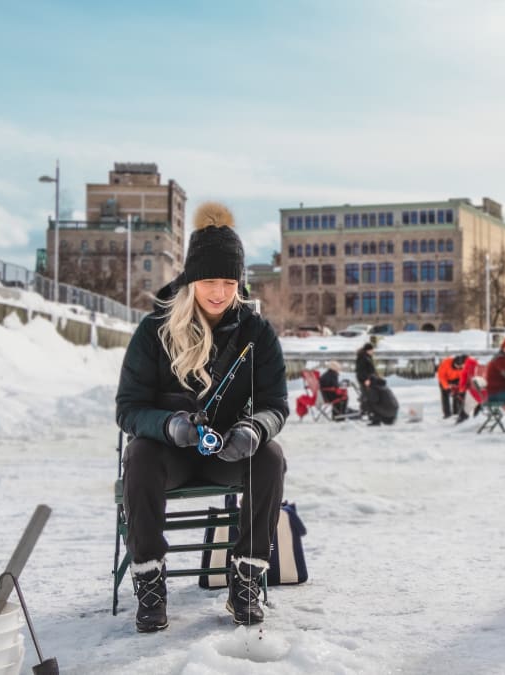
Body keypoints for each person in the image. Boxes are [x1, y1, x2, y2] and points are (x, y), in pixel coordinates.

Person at [115, 202, 287, 632]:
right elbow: (129, 408)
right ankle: (150, 583)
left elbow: (276, 403)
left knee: (271, 457)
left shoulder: (256, 332)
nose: (219, 292)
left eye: (229, 282)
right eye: (210, 281)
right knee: (139, 456)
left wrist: (254, 429)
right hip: (168, 454)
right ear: (191, 280)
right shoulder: (154, 329)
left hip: (225, 451)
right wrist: (169, 425)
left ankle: (246, 578)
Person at [455, 354, 484, 423]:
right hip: (482, 391)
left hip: (473, 391)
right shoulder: (476, 363)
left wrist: (461, 390)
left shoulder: (467, 366)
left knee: (461, 399)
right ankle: (476, 415)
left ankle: (462, 419)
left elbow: (463, 379)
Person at [436, 354, 466, 419]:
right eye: (457, 366)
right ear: (454, 362)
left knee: (457, 394)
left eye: (460, 367)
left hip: (457, 379)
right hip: (445, 379)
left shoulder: (464, 366)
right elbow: (441, 377)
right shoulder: (446, 363)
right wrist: (447, 387)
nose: (458, 368)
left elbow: (463, 377)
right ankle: (447, 413)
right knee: (444, 394)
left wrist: (459, 387)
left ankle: (456, 412)